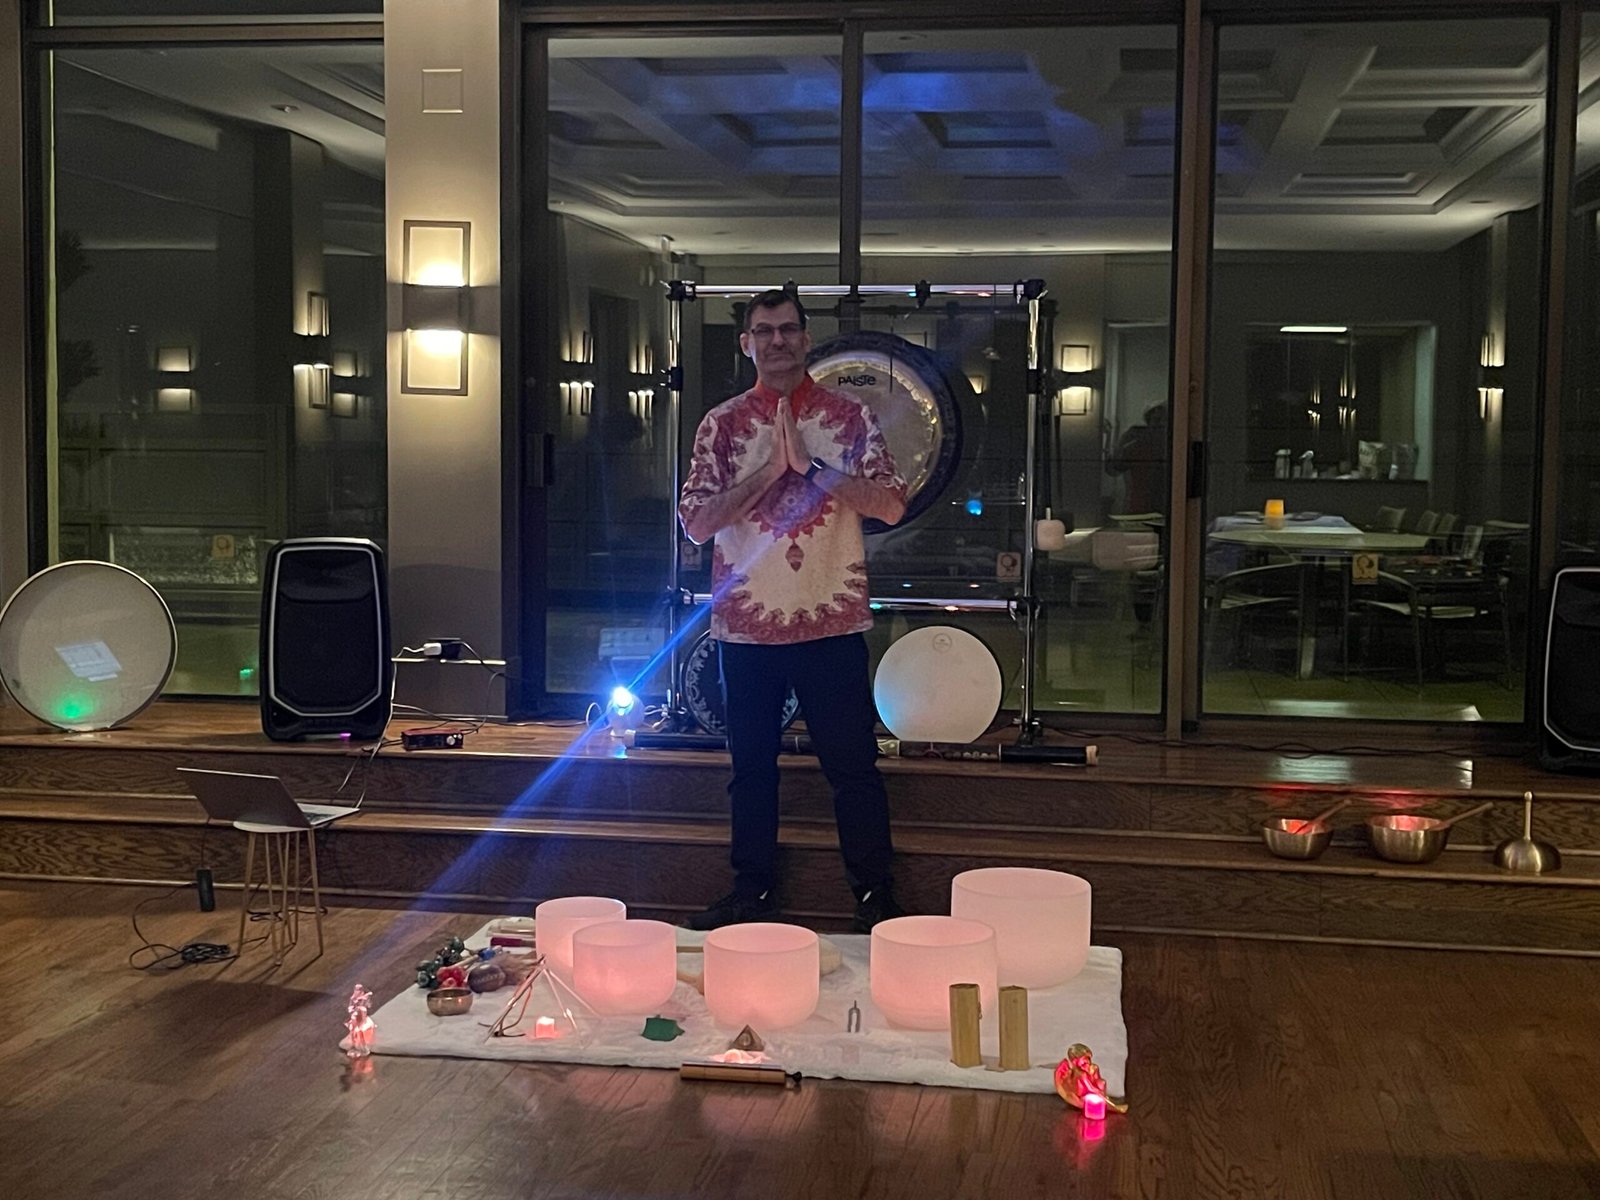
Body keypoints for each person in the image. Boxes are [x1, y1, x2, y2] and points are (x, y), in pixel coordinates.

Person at [677, 288, 908, 933]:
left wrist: (811, 469)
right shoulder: (722, 425)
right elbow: (696, 522)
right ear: (746, 343)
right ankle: (751, 893)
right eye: (764, 331)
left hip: (831, 619)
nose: (776, 341)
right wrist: (770, 471)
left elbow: (892, 504)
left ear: (806, 339)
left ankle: (876, 896)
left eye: (787, 329)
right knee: (750, 771)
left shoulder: (850, 416)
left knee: (853, 768)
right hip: (747, 626)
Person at [1107, 402, 1168, 516]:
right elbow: (1113, 469)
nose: (1160, 425)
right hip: (1139, 506)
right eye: (1157, 420)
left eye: (1164, 420)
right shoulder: (1135, 440)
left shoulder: (1176, 442)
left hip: (1168, 506)